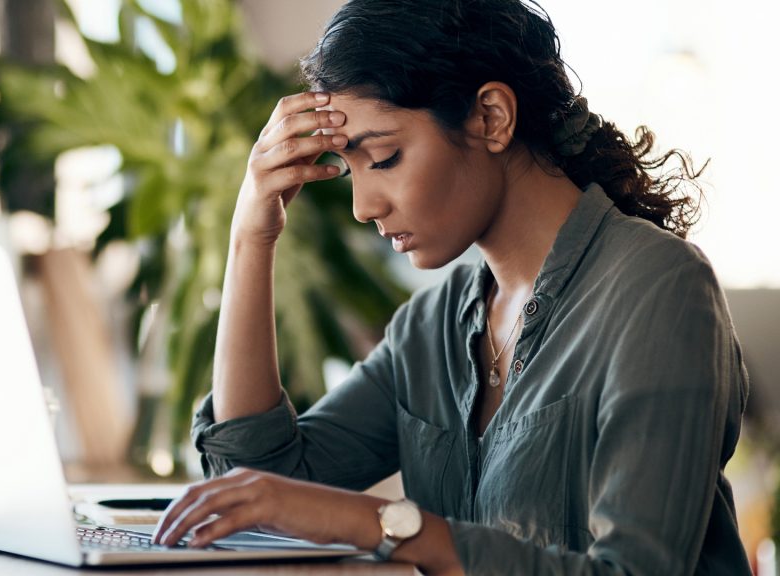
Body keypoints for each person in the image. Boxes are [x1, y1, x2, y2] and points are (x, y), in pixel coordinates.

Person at [151, 0, 751, 574]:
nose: (362, 206)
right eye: (349, 170)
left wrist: (384, 523)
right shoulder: (432, 326)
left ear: (491, 117)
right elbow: (255, 485)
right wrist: (250, 236)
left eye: (383, 158)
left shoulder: (660, 290)